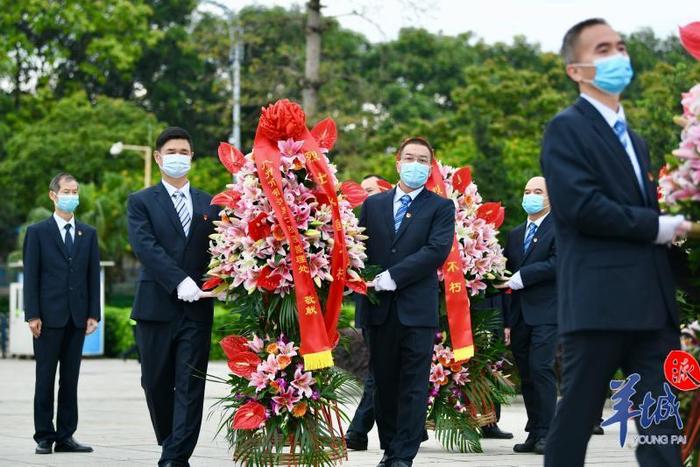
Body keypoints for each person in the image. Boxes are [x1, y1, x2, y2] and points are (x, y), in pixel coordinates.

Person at [541, 19, 691, 467]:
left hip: (652, 308)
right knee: (576, 422)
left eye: (621, 47)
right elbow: (581, 207)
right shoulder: (566, 129)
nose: (618, 57)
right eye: (603, 49)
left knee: (662, 425)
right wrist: (657, 226)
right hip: (598, 307)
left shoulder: (636, 140)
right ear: (577, 69)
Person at [357, 137, 455, 467]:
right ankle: (390, 447)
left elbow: (435, 251)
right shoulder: (374, 205)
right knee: (383, 384)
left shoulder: (441, 207)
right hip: (379, 311)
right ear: (398, 163)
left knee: (413, 386)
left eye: (423, 159)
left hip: (417, 311)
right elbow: (360, 249)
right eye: (409, 158)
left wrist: (393, 276)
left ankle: (403, 456)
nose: (415, 164)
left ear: (431, 166)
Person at [127, 127, 219, 467]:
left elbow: (222, 249)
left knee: (190, 384)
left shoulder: (211, 203)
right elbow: (145, 247)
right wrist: (178, 280)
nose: (178, 157)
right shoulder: (141, 201)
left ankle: (176, 455)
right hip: (155, 307)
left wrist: (221, 280)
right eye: (171, 151)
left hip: (197, 310)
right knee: (155, 383)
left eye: (184, 151)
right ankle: (170, 442)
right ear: (158, 157)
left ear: (192, 157)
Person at [23, 172, 100, 455]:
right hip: (47, 318)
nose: (72, 195)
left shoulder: (88, 233)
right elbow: (31, 277)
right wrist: (32, 314)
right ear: (53, 195)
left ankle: (66, 435)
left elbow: (93, 276)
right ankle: (44, 435)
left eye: (75, 191)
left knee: (70, 378)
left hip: (77, 317)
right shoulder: (37, 232)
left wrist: (94, 313)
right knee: (45, 377)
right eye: (66, 191)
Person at [496, 176, 557, 454]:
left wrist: (523, 277)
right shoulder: (516, 233)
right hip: (520, 315)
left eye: (537, 191)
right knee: (528, 374)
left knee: (542, 368)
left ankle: (549, 433)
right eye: (527, 191)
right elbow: (505, 274)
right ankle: (534, 431)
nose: (530, 196)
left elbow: (559, 262)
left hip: (548, 311)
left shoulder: (562, 227)